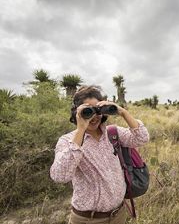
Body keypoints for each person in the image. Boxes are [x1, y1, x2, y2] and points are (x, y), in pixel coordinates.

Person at [50, 86, 150, 224]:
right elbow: (60, 176)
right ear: (76, 112)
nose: (94, 117)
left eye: (97, 110)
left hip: (118, 215)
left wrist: (122, 112)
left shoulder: (113, 133)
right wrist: (81, 130)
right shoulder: (68, 141)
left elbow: (142, 138)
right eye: (87, 111)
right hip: (88, 219)